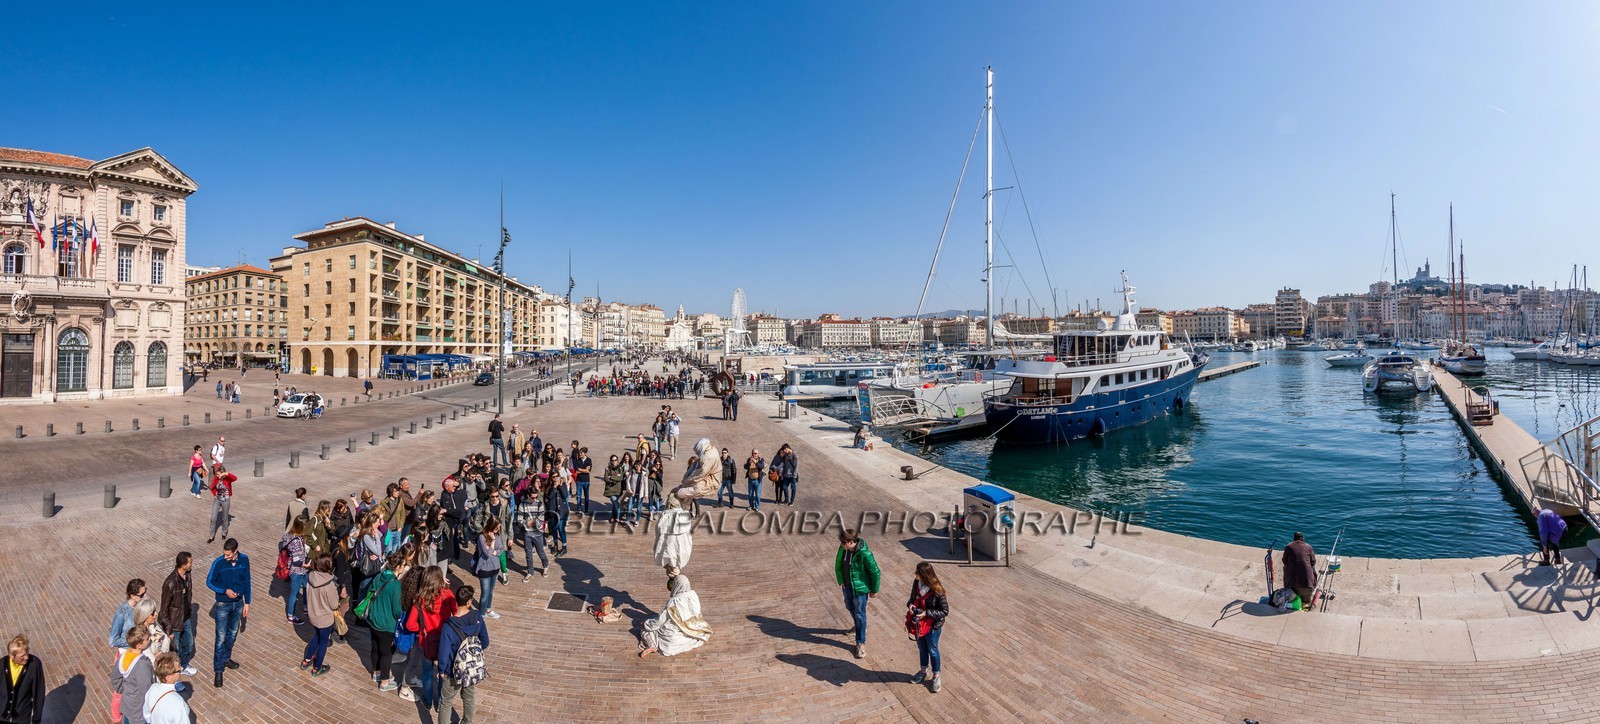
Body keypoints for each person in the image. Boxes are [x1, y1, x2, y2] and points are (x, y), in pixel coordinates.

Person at [403, 567, 456, 708]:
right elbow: (456, 612)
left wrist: (421, 630)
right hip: (445, 640)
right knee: (442, 673)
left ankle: (427, 701)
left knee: (427, 672)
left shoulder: (421, 598)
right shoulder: (447, 594)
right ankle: (439, 702)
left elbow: (410, 624)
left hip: (426, 640)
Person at [437, 585, 489, 724]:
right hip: (471, 668)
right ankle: (467, 722)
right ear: (469, 602)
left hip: (452, 670)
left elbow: (443, 652)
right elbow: (485, 641)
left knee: (446, 702)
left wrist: (441, 669)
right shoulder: (477, 616)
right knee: (469, 697)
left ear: (456, 600)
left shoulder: (448, 626)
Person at [205, 539, 251, 688]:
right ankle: (218, 669)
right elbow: (209, 581)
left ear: (235, 551)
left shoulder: (244, 560)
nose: (225, 557)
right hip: (223, 604)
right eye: (224, 554)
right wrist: (224, 591)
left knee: (232, 634)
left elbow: (247, 581)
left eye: (228, 555)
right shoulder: (218, 562)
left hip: (238, 604)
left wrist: (247, 602)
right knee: (220, 638)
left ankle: (226, 658)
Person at [639, 569, 712, 658]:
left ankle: (652, 646)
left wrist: (646, 624)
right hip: (694, 628)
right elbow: (697, 614)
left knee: (644, 629)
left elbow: (660, 621)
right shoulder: (693, 595)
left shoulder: (673, 602)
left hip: (672, 636)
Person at [362, 552, 406, 693]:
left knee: (375, 647)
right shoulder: (395, 585)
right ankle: (385, 683)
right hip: (386, 624)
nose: (404, 567)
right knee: (386, 653)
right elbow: (397, 610)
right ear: (398, 567)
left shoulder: (378, 577)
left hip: (373, 619)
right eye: (403, 565)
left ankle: (376, 673)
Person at [835, 529, 881, 659]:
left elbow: (875, 572)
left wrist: (874, 589)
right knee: (849, 606)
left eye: (844, 542)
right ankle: (859, 626)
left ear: (851, 542)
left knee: (860, 614)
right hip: (847, 586)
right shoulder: (844, 549)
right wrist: (841, 579)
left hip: (860, 589)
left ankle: (860, 642)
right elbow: (838, 563)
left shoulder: (865, 554)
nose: (841, 544)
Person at [906, 562, 949, 693]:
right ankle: (923, 671)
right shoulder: (916, 583)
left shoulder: (937, 590)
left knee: (933, 650)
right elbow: (911, 599)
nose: (915, 574)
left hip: (932, 626)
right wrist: (910, 606)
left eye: (917, 573)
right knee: (922, 649)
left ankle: (936, 676)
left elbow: (944, 611)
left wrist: (926, 613)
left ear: (924, 575)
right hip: (919, 624)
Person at [108, 578, 145, 723]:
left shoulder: (140, 608)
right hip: (125, 655)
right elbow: (113, 640)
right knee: (120, 690)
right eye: (141, 595)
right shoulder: (122, 613)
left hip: (137, 653)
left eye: (145, 592)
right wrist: (133, 640)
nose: (144, 597)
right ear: (132, 595)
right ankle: (117, 718)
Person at [299, 554, 340, 677]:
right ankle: (317, 668)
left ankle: (306, 660)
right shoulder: (329, 584)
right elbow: (333, 605)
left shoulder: (311, 577)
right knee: (323, 642)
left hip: (313, 615)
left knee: (316, 636)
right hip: (325, 618)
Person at [158, 554, 196, 676]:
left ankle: (184, 664)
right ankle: (176, 672)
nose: (192, 564)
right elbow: (163, 610)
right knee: (175, 650)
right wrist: (169, 630)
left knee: (189, 645)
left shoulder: (187, 575)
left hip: (185, 618)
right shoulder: (170, 583)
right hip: (174, 623)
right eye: (190, 562)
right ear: (183, 565)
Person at [113, 625, 154, 724]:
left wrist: (126, 689)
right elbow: (146, 690)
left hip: (127, 703)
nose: (150, 640)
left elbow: (115, 678)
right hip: (138, 711)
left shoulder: (124, 656)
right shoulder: (142, 664)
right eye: (147, 639)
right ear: (139, 645)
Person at [2, 635, 44, 724]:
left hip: (22, 716)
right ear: (12, 656)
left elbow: (38, 692)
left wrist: (36, 717)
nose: (27, 657)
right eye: (22, 656)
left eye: (27, 653)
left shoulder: (34, 664)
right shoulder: (1, 664)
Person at [142, 653, 187, 724]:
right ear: (168, 677)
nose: (181, 669)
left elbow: (146, 714)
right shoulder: (179, 703)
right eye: (178, 670)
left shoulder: (152, 688)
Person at [473, 519, 505, 619]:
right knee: (485, 593)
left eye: (499, 527)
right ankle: (481, 614)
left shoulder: (497, 536)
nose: (498, 529)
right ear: (491, 525)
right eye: (497, 527)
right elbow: (487, 554)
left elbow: (501, 548)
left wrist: (495, 551)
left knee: (491, 591)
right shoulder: (482, 537)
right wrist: (493, 543)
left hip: (495, 567)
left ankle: (488, 609)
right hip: (484, 568)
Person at [281, 518, 310, 625]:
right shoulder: (297, 541)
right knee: (294, 594)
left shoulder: (290, 535)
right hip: (297, 571)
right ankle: (291, 616)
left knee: (306, 588)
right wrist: (307, 565)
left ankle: (306, 608)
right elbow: (297, 561)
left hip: (301, 571)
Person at [1282, 532, 1318, 610]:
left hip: (1292, 588)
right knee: (1312, 567)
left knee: (1286, 567)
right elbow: (1313, 562)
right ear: (1303, 539)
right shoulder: (1309, 547)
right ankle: (1307, 596)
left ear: (1294, 539)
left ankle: (1290, 589)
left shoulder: (1288, 547)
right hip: (1308, 587)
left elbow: (1284, 561)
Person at [207, 464, 237, 544]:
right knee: (213, 518)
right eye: (216, 474)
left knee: (225, 518)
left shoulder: (227, 479)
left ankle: (224, 532)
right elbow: (212, 486)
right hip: (217, 500)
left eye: (218, 474)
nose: (217, 475)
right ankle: (211, 536)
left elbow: (235, 478)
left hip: (225, 501)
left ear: (222, 473)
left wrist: (225, 474)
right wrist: (214, 494)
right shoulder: (216, 478)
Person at [602, 455, 625, 521]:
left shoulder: (620, 468)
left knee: (614, 503)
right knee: (615, 503)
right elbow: (606, 478)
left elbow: (620, 478)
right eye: (612, 460)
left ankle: (613, 516)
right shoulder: (607, 468)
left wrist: (611, 477)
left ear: (617, 461)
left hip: (618, 489)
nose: (614, 461)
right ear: (610, 461)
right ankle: (619, 516)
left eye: (615, 460)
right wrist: (616, 477)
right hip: (610, 490)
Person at [573, 446, 594, 517]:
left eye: (581, 452)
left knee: (586, 496)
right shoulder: (578, 460)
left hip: (586, 481)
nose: (580, 454)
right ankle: (579, 509)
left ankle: (586, 509)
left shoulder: (589, 460)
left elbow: (588, 471)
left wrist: (581, 469)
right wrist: (584, 470)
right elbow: (576, 471)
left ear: (585, 453)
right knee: (578, 496)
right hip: (579, 481)